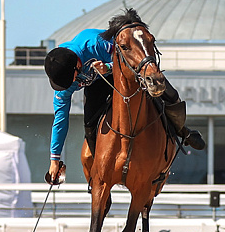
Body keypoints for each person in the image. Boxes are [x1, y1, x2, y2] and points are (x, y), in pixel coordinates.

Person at [43, 26, 205, 185]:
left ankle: (182, 130)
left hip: (124, 69)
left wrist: (108, 67)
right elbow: (60, 119)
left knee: (169, 95)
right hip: (98, 82)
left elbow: (129, 59)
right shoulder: (63, 74)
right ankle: (99, 173)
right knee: (89, 125)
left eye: (70, 81)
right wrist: (54, 159)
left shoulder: (96, 44)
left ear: (77, 66)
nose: (68, 86)